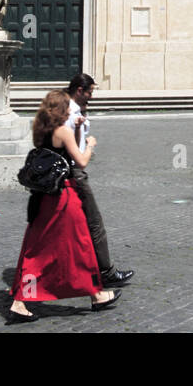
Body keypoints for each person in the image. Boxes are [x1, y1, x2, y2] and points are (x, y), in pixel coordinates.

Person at [8, 91, 121, 323]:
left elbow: (60, 155)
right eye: (68, 106)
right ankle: (21, 302)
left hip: (43, 197)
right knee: (79, 244)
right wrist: (90, 144)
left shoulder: (41, 130)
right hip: (64, 197)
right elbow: (80, 161)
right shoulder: (63, 131)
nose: (71, 109)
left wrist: (78, 129)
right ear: (61, 108)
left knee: (39, 246)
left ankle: (95, 294)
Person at [65, 73, 133, 287]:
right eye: (89, 92)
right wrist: (89, 146)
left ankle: (87, 273)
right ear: (79, 90)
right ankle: (105, 272)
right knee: (94, 223)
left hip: (69, 172)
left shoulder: (74, 109)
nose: (91, 97)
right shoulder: (70, 113)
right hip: (75, 173)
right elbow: (75, 155)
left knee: (74, 225)